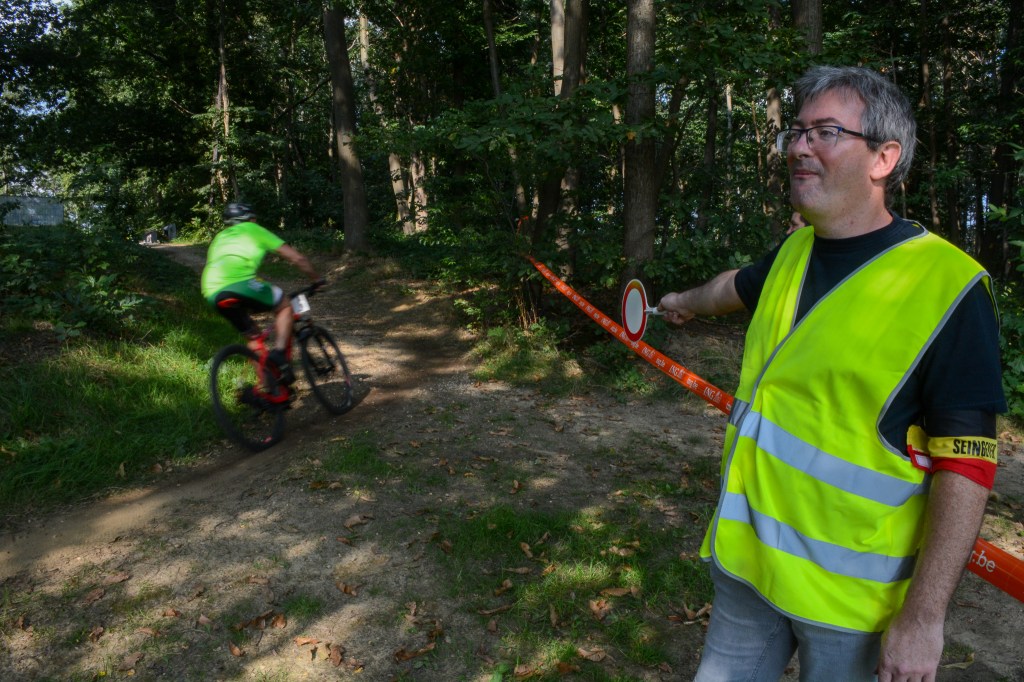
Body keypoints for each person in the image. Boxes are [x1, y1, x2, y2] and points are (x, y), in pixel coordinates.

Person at [658, 66, 1005, 682]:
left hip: (851, 604)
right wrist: (682, 302)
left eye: (826, 132)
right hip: (748, 566)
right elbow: (733, 289)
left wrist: (924, 617)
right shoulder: (796, 249)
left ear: (883, 159)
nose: (799, 146)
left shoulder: (947, 287)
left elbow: (968, 466)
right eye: (796, 132)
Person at [201, 202, 323, 382]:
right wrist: (316, 279)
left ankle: (269, 387)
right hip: (239, 283)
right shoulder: (254, 229)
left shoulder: (220, 237)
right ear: (249, 219)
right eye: (254, 219)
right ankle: (280, 354)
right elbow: (297, 258)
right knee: (284, 305)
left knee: (253, 337)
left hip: (212, 291)